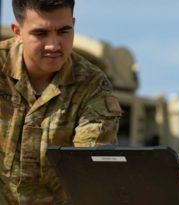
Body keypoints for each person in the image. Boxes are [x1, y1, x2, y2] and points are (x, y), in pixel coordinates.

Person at [0, 0, 122, 204]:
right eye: (41, 33)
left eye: (64, 31)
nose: (54, 45)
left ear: (73, 24)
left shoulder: (91, 86)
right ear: (17, 31)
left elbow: (91, 172)